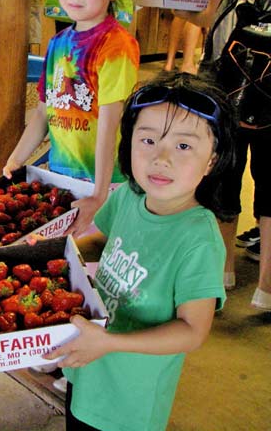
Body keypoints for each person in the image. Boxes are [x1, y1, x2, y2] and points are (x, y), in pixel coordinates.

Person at [44, 71, 237, 431]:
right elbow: (100, 242)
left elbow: (193, 331)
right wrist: (55, 258)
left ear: (212, 160)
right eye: (147, 140)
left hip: (129, 398)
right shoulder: (130, 197)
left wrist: (110, 342)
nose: (161, 158)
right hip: (88, 366)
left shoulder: (199, 239)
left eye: (183, 146)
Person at [4, 0, 140, 239]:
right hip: (61, 176)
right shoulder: (58, 43)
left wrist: (100, 192)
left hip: (104, 180)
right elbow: (42, 113)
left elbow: (109, 122)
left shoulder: (116, 45)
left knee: (92, 266)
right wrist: (17, 158)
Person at [176, 0, 271, 302]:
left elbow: (213, 17)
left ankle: (223, 274)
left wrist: (182, 12)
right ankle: (266, 288)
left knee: (223, 178)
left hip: (229, 85)